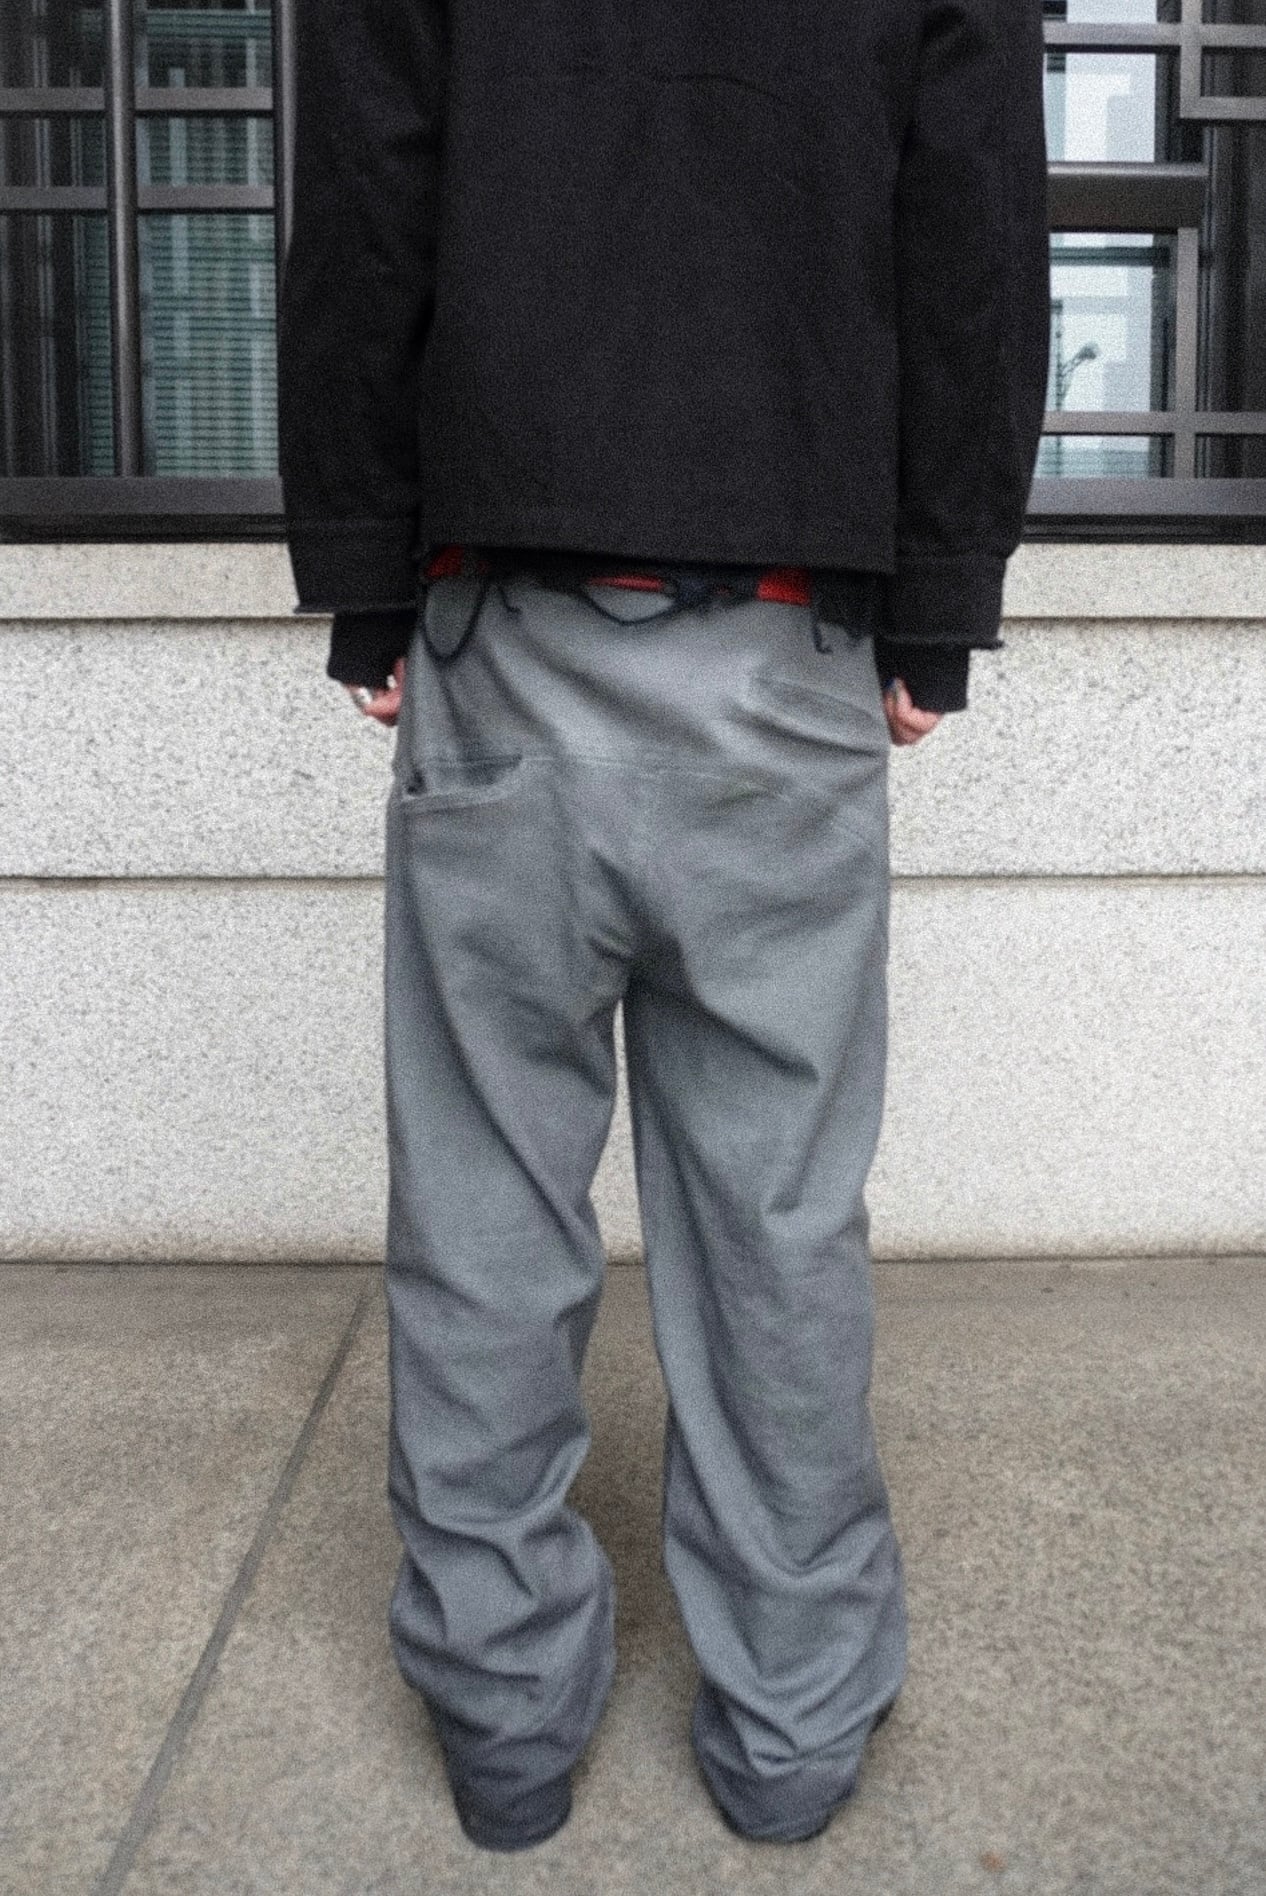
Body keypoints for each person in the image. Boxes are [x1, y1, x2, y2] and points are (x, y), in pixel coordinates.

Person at [277, 0, 1051, 1854]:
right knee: (777, 1219)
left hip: (503, 635)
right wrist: (939, 605)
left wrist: (364, 585)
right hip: (784, 644)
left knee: (482, 1209)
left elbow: (367, 206)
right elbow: (969, 234)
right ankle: (790, 1731)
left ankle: (502, 1724)